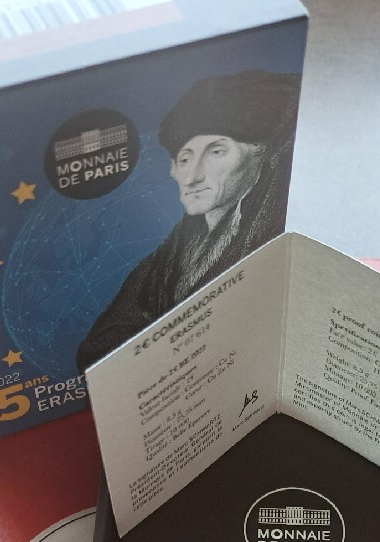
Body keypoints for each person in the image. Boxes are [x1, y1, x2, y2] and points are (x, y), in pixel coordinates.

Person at [76, 70, 299, 372]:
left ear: (259, 157)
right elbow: (100, 350)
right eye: (185, 159)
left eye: (217, 151)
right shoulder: (171, 254)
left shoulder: (276, 223)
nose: (193, 176)